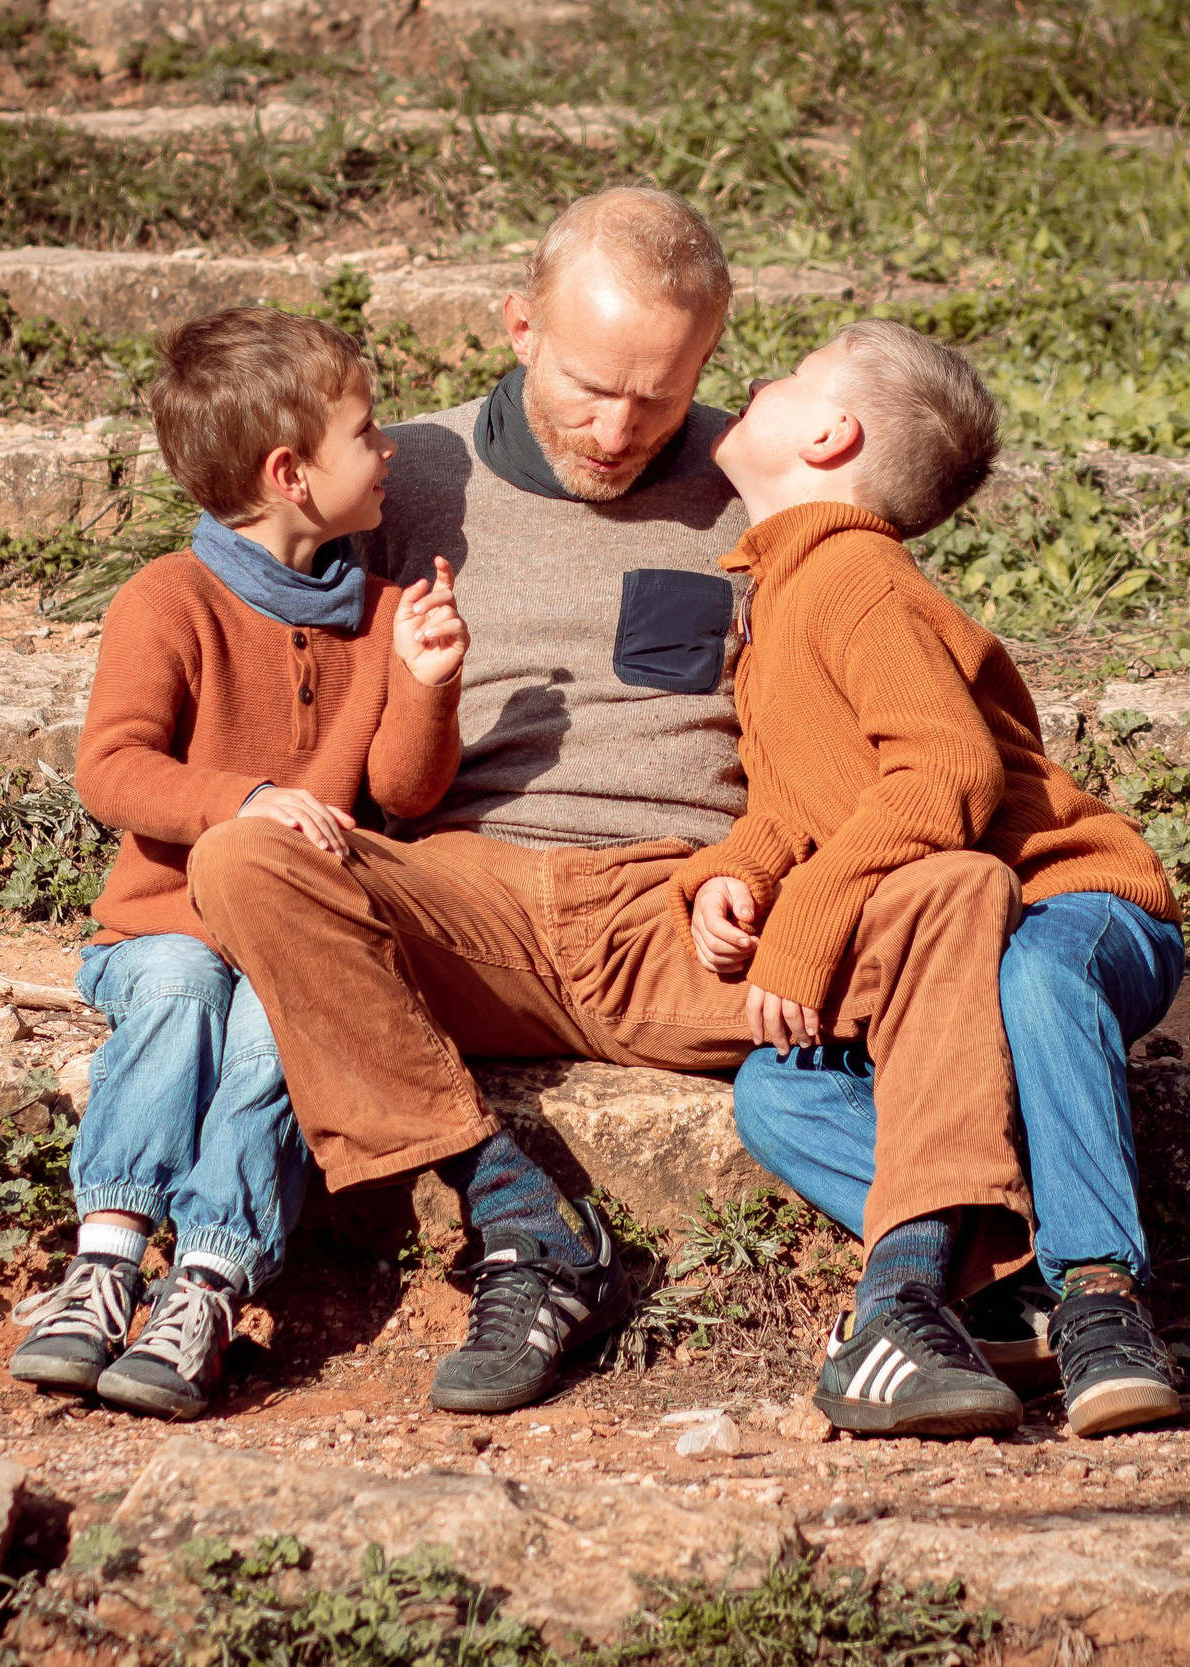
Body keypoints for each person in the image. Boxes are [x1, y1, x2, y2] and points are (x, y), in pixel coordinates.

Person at [184, 189, 1033, 1418]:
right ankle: (519, 1218)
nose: (621, 426)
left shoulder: (766, 482)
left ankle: (911, 1289)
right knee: (247, 862)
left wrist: (770, 877)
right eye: (591, 384)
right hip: (461, 901)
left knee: (959, 888)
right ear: (521, 326)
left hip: (687, 914)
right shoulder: (397, 477)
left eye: (663, 393)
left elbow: (868, 719)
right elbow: (268, 666)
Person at [687, 320, 1190, 1438]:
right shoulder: (776, 598)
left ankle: (1101, 1295)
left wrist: (815, 910)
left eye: (787, 375)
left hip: (1073, 905)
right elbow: (792, 799)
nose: (757, 382)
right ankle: (1004, 1264)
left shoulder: (854, 575)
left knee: (1033, 978)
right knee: (779, 1093)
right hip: (948, 948)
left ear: (831, 434)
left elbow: (949, 771)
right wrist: (740, 872)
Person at [6, 306, 469, 1421]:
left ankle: (207, 1279)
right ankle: (106, 1257)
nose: (389, 451)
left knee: (274, 1021)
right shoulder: (168, 599)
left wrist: (426, 681)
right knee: (179, 987)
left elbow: (406, 794)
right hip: (161, 923)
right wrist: (246, 801)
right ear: (291, 474)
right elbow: (112, 769)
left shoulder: (384, 615)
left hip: (288, 933)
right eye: (365, 433)